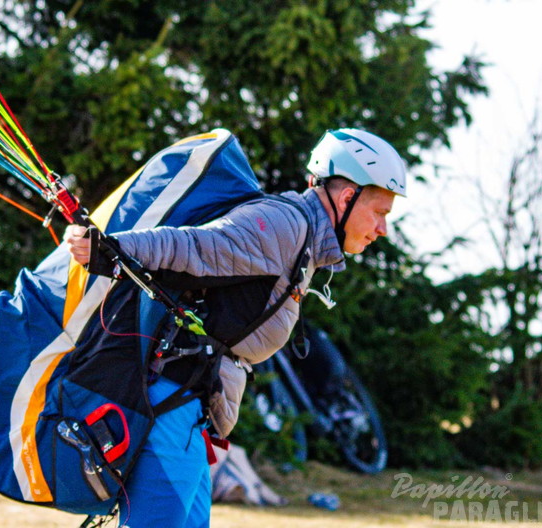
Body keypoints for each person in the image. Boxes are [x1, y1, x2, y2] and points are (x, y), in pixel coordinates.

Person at [64, 128, 407, 527]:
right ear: (348, 197)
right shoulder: (284, 226)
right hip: (170, 406)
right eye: (380, 212)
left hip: (189, 411)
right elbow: (192, 247)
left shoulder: (306, 242)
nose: (383, 228)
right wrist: (110, 251)